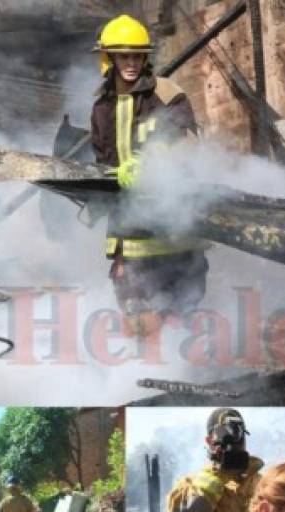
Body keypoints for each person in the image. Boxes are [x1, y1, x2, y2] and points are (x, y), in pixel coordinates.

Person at [90, 14, 209, 335]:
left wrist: (150, 165)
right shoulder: (101, 106)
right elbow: (103, 163)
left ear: (146, 57)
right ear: (109, 57)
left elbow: (188, 144)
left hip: (175, 230)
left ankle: (186, 371)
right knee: (137, 319)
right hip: (130, 233)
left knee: (182, 318)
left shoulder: (168, 94)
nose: (130, 62)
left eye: (137, 55)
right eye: (123, 55)